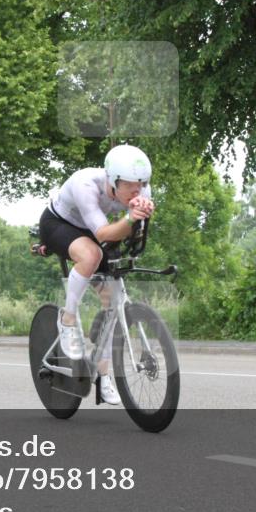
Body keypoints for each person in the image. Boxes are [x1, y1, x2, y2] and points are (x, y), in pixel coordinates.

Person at [37, 144, 155, 406]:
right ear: (113, 181)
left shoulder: (140, 188)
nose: (138, 190)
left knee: (111, 301)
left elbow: (131, 232)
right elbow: (102, 235)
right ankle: (67, 320)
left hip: (95, 227)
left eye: (142, 184)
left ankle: (102, 375)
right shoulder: (85, 185)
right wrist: (130, 219)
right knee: (91, 255)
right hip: (59, 224)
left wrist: (142, 218)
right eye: (131, 186)